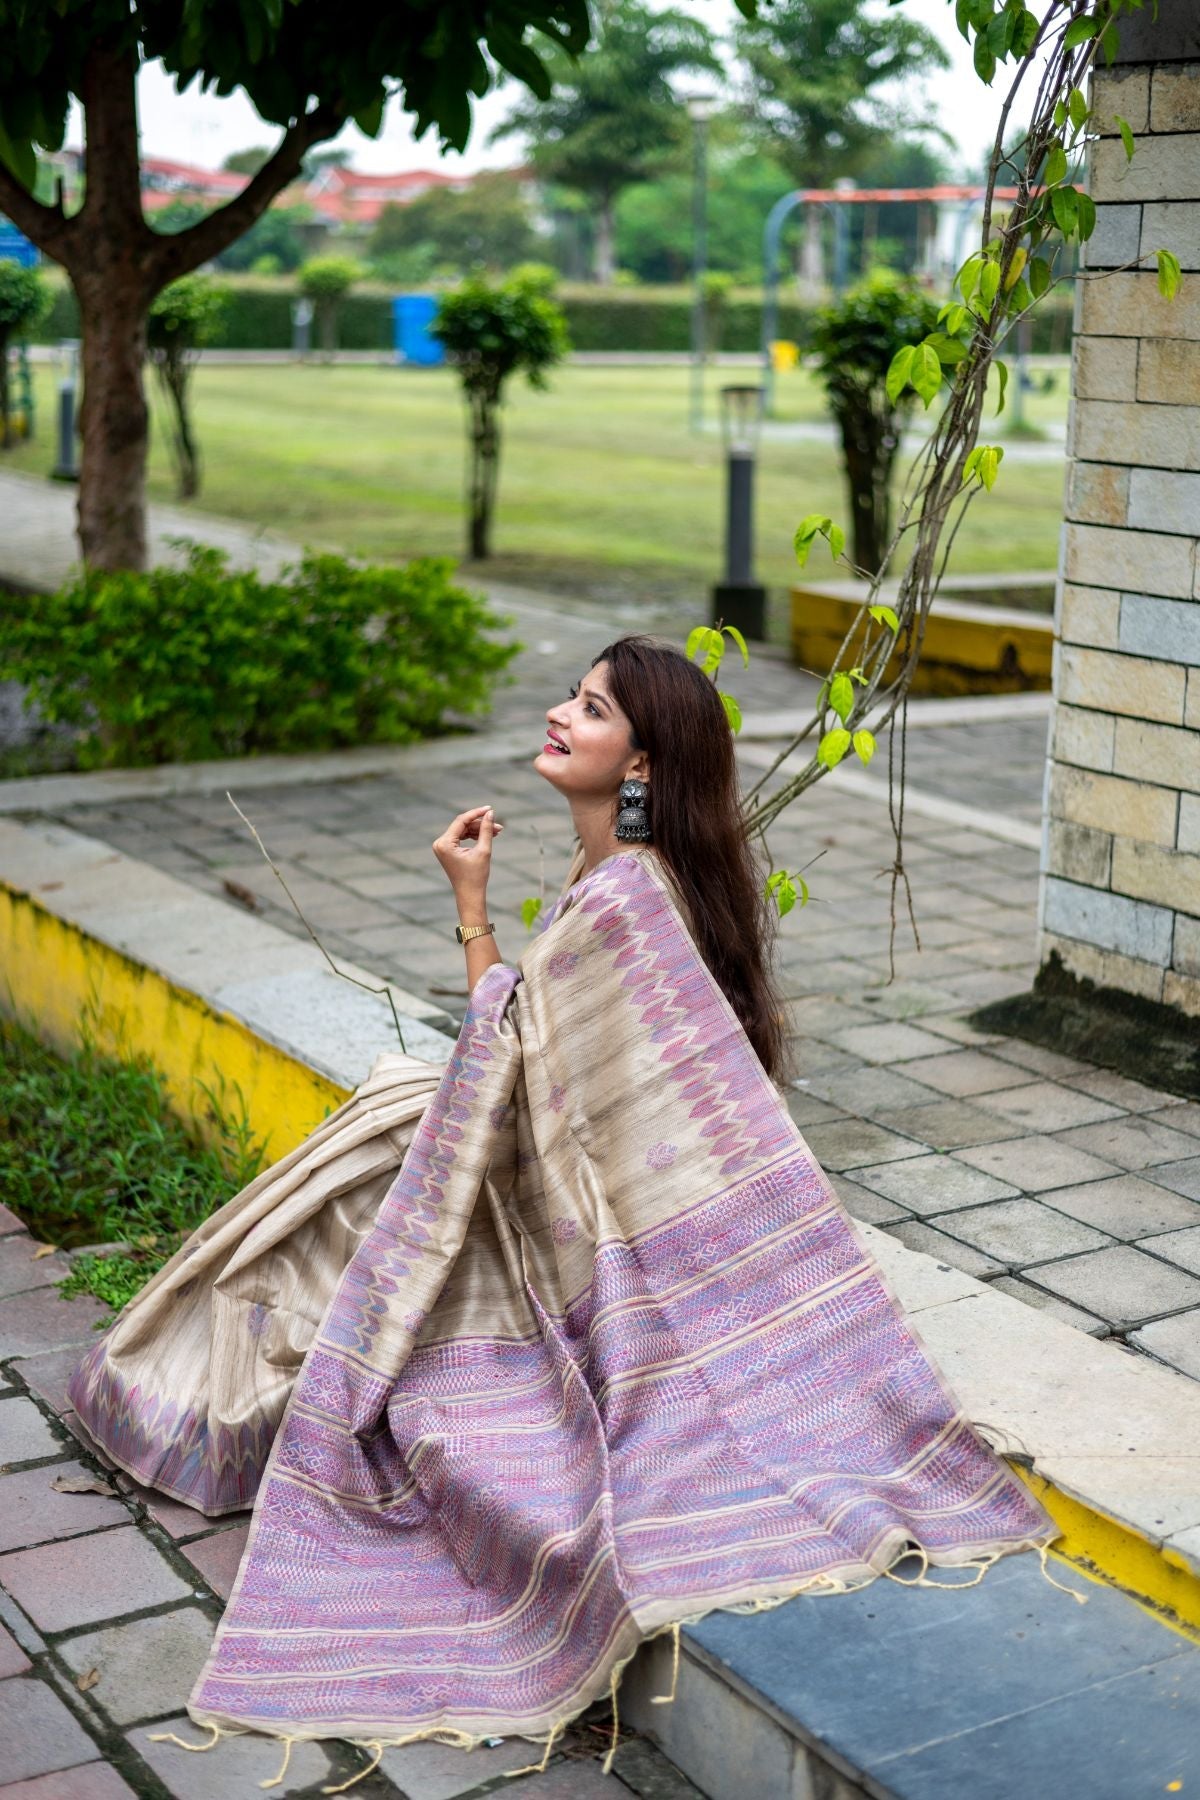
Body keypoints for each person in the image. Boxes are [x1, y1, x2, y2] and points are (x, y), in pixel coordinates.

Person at [68, 636, 1054, 1786]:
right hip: (549, 1182)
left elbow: (522, 1073)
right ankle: (215, 1394)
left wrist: (469, 919)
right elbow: (525, 1053)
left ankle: (186, 1403)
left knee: (365, 1178)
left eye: (588, 710)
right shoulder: (618, 881)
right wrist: (475, 905)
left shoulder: (628, 904)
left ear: (640, 767)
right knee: (386, 1127)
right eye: (572, 698)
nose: (557, 714)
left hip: (591, 1239)